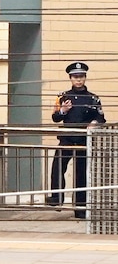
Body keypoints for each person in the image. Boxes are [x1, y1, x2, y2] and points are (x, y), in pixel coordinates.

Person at [47, 62, 106, 219]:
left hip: (83, 141)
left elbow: (100, 118)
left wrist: (94, 124)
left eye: (81, 77)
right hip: (66, 139)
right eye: (75, 77)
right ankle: (56, 198)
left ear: (85, 78)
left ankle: (80, 209)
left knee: (81, 175)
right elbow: (55, 118)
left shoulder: (93, 98)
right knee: (57, 169)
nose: (78, 80)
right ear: (70, 78)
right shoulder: (63, 96)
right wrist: (63, 111)